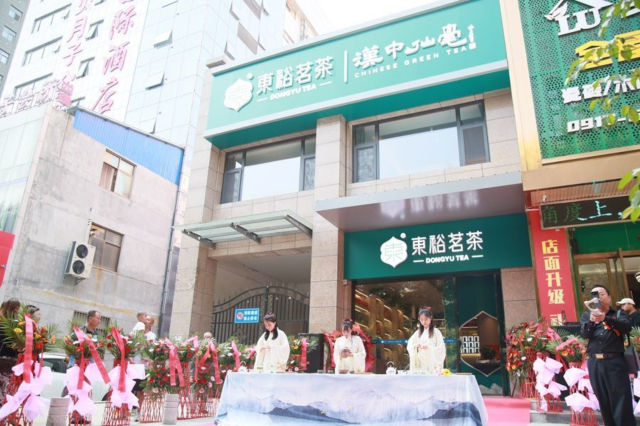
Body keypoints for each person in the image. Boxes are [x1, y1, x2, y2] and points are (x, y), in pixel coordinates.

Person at [580, 285, 636, 426]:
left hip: (614, 362)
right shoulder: (587, 315)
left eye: (601, 294)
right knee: (603, 401)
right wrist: (592, 321)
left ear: (609, 298)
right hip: (594, 363)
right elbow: (584, 334)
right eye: (595, 294)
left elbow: (626, 327)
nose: (598, 297)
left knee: (621, 401)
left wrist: (605, 318)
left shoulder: (618, 314)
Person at [407, 307, 446, 374]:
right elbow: (410, 344)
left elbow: (441, 349)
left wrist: (429, 347)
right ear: (419, 319)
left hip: (432, 363)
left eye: (426, 319)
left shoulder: (437, 332)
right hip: (420, 363)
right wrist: (415, 346)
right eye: (421, 320)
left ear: (430, 318)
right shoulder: (417, 333)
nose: (424, 322)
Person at [0, 299, 20, 402]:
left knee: (6, 391)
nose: (18, 311)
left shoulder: (17, 325)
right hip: (3, 360)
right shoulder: (4, 323)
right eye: (16, 308)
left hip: (11, 362)